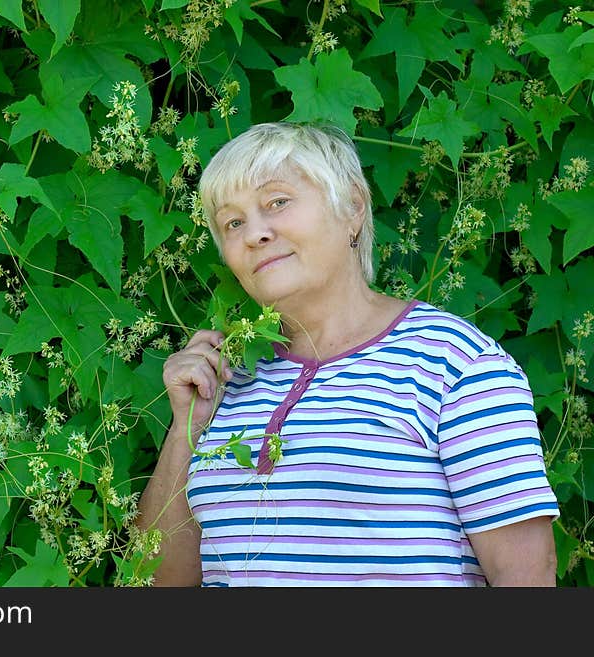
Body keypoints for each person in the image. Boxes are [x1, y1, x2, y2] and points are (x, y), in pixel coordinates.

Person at [136, 122, 560, 587]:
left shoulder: (455, 365)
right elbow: (157, 583)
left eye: (277, 202)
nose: (255, 233)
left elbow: (525, 575)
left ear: (353, 208)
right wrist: (186, 428)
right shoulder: (226, 380)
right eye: (232, 223)